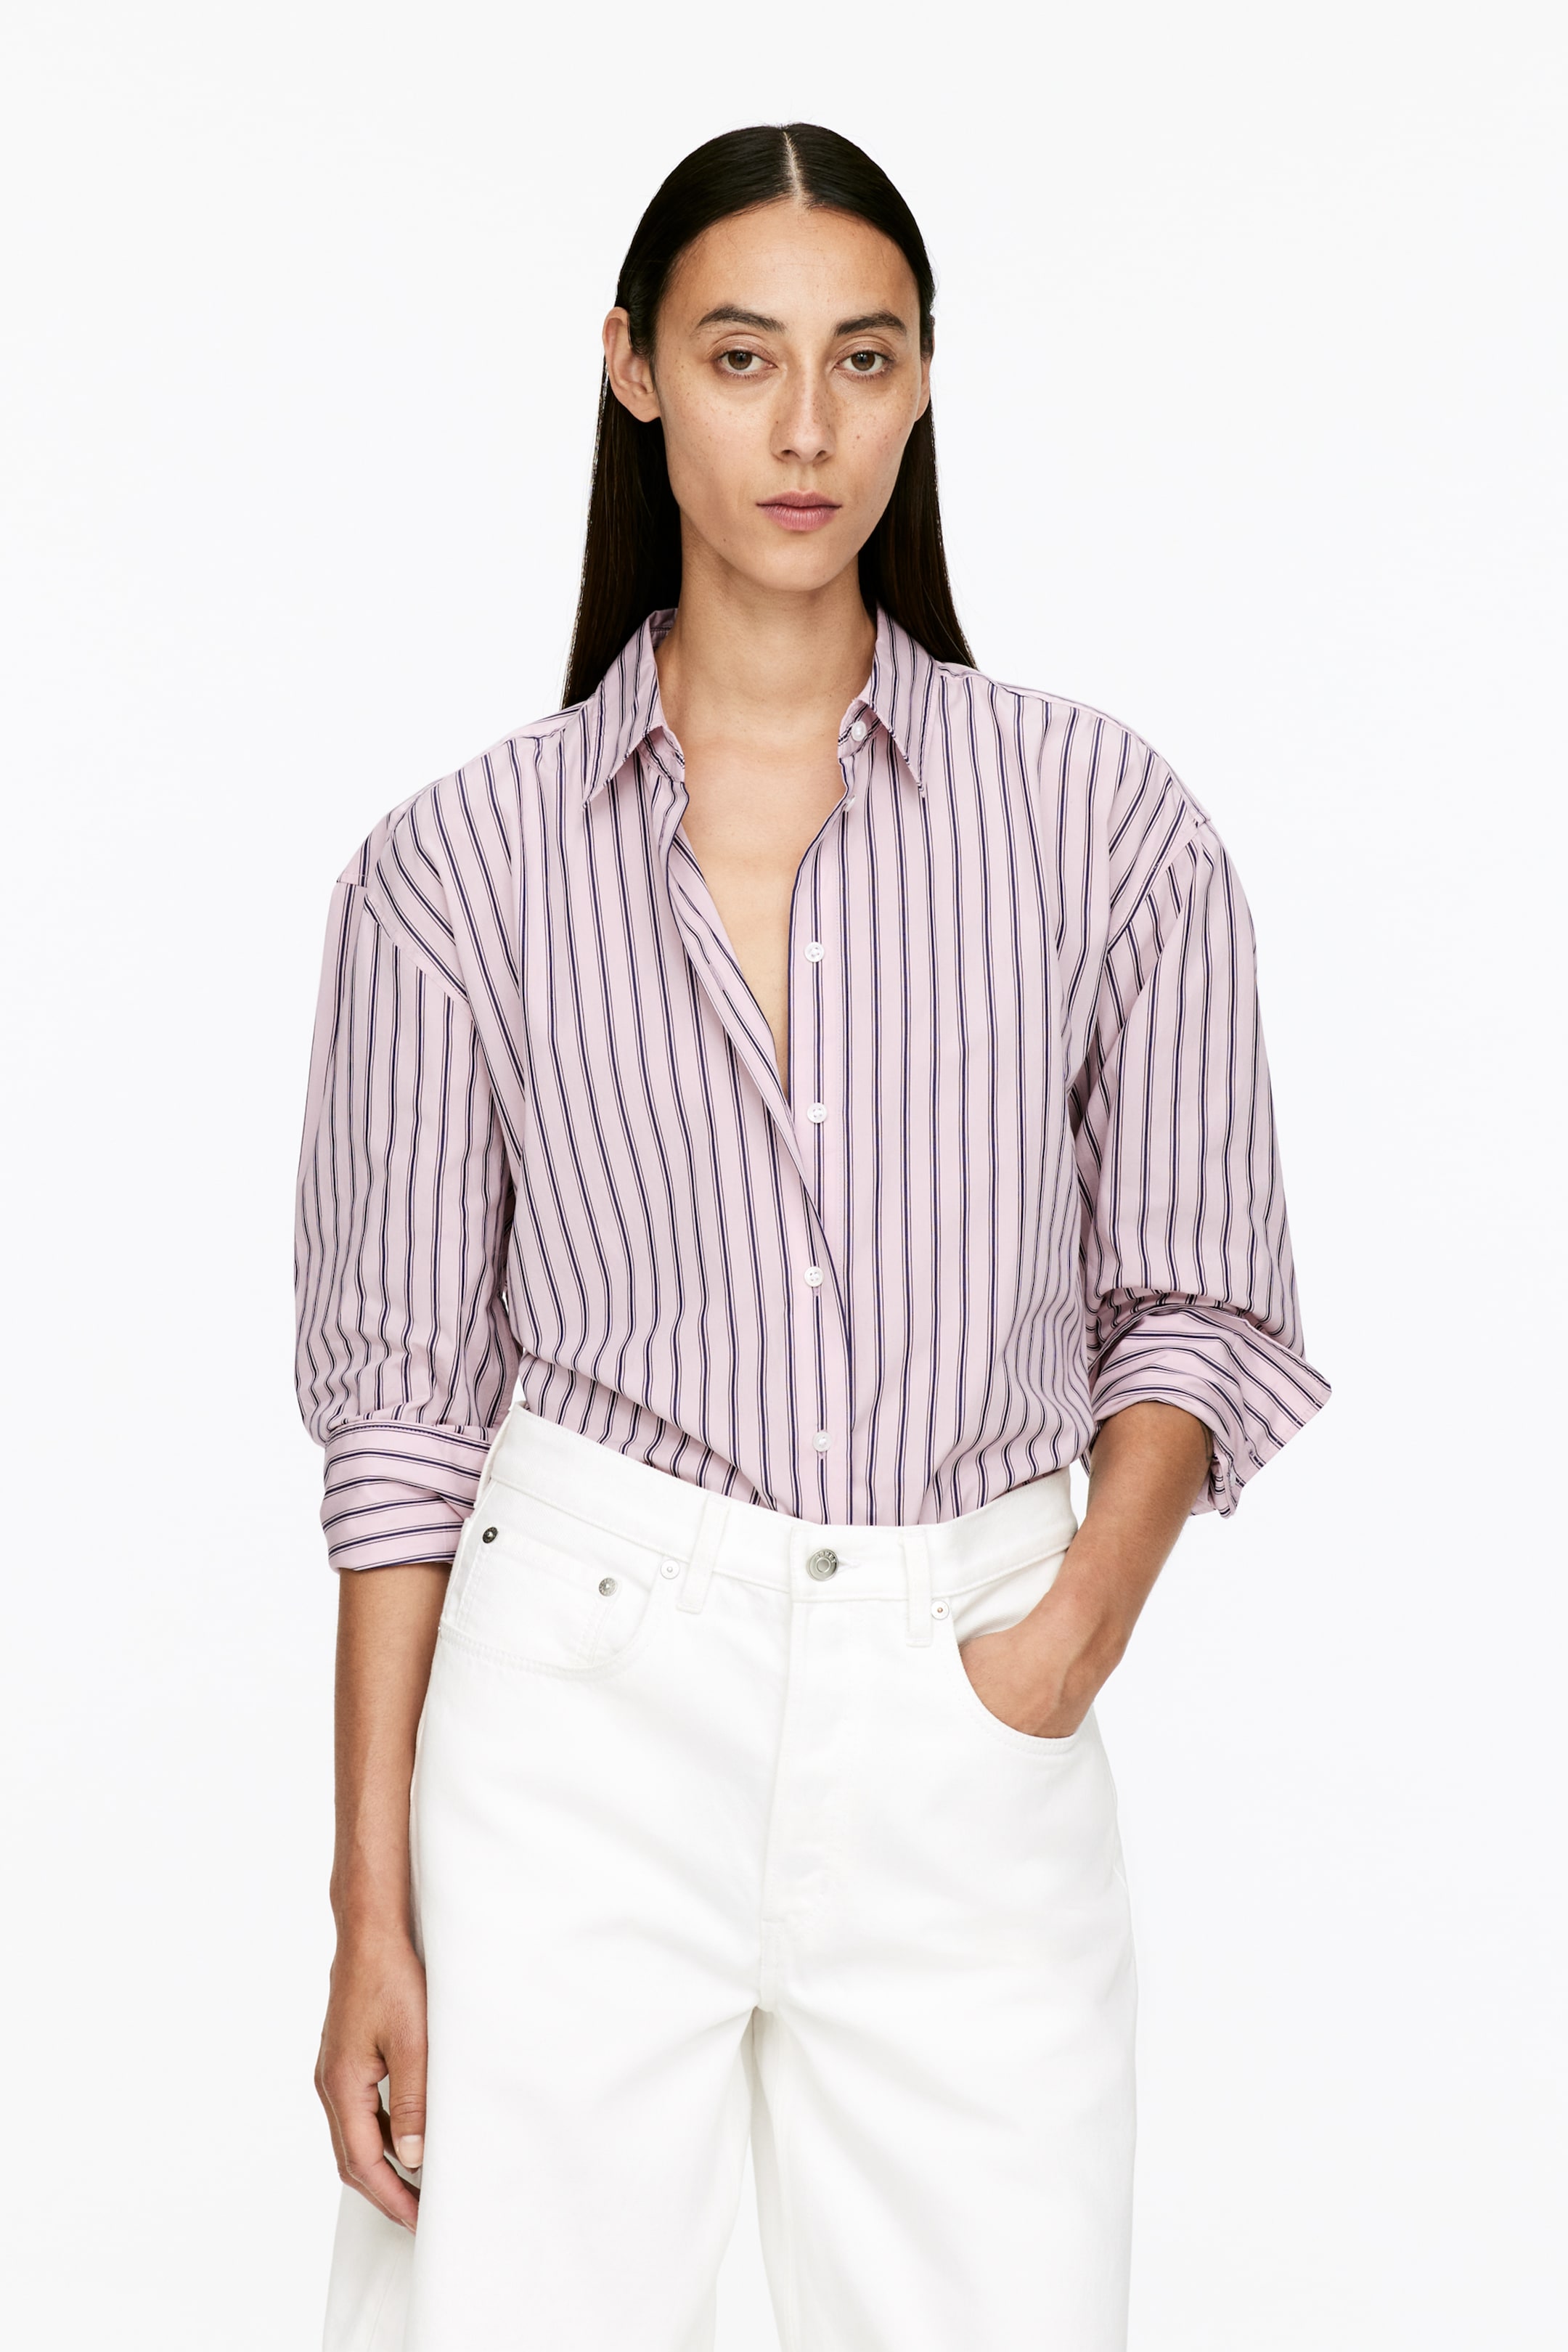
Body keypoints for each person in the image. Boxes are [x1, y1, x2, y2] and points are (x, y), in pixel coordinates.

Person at [295, 121, 1330, 2352]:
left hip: (973, 1687)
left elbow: (1197, 1295)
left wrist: (1066, 1641)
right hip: (576, 1703)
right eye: (742, 355)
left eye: (863, 360)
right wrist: (372, 1900)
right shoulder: (455, 873)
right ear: (634, 368)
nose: (805, 429)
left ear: (924, 378)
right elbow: (401, 1426)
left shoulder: (1100, 823)